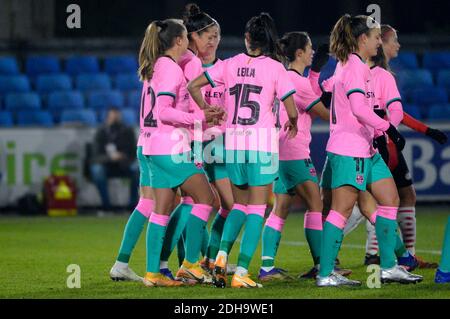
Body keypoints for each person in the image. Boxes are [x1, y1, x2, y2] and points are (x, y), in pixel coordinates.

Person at [188, 12, 299, 288]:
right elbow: (291, 109)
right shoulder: (276, 68)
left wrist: (206, 109)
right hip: (261, 145)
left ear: (247, 38)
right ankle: (242, 272)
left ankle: (222, 257)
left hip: (233, 144)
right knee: (258, 209)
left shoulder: (231, 63)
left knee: (238, 205)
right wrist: (293, 123)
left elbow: (193, 85)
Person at [317, 14, 422, 287]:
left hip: (365, 147)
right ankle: (326, 274)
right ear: (362, 39)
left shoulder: (349, 65)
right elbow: (358, 108)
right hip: (349, 148)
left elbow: (329, 90)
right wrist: (388, 128)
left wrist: (377, 131)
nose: (379, 42)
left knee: (390, 198)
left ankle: (388, 267)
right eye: (376, 37)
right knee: (341, 210)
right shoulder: (354, 67)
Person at [257, 31, 350, 282]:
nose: (312, 52)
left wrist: (316, 74)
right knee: (316, 205)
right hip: (295, 150)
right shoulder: (297, 83)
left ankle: (267, 268)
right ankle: (323, 266)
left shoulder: (283, 77)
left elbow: (310, 93)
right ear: (299, 53)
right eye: (308, 48)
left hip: (278, 150)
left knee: (280, 208)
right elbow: (323, 112)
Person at [138, 18, 223, 287]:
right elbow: (163, 111)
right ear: (178, 41)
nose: (189, 41)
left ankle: (154, 273)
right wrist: (197, 121)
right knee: (205, 198)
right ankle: (190, 265)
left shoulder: (158, 66)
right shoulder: (171, 69)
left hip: (153, 147)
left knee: (161, 210)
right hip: (169, 147)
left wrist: (200, 115)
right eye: (186, 36)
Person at [109, 49, 157, 282]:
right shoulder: (171, 68)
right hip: (165, 145)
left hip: (146, 141)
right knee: (197, 200)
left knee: (148, 203)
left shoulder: (152, 68)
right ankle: (179, 266)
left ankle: (121, 263)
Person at [90, 107, 138, 211]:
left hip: (124, 164)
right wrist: (110, 157)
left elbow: (134, 152)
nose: (115, 120)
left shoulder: (128, 131)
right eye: (112, 117)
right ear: (107, 118)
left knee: (137, 169)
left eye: (117, 117)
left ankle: (133, 206)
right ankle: (106, 206)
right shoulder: (101, 132)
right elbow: (96, 155)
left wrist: (123, 156)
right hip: (106, 165)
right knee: (97, 170)